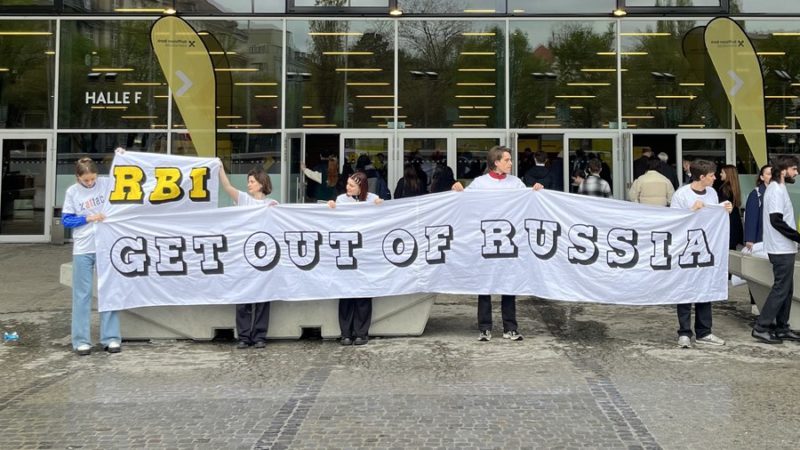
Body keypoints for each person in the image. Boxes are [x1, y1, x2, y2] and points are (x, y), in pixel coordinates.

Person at [452, 145, 544, 342]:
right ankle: (484, 328)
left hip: (509, 244)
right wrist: (458, 190)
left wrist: (536, 192)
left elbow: (529, 204)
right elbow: (465, 205)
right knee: (484, 285)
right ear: (496, 162)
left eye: (510, 160)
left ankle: (510, 327)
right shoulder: (480, 183)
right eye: (507, 160)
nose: (511, 163)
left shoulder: (516, 183)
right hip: (486, 243)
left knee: (509, 285)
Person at [670, 159, 732, 348]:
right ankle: (684, 332)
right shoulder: (681, 194)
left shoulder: (712, 193)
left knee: (705, 287)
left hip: (707, 248)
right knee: (685, 290)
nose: (715, 178)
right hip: (686, 249)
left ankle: (704, 332)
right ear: (702, 177)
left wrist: (725, 210)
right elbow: (673, 221)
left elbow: (714, 218)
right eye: (712, 175)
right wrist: (691, 211)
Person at [62, 156, 121, 356]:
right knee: (82, 294)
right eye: (85, 180)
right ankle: (80, 340)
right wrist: (88, 217)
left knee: (109, 291)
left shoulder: (105, 184)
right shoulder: (72, 192)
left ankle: (111, 337)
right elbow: (66, 221)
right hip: (84, 247)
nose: (90, 182)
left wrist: (121, 155)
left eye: (92, 178)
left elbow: (124, 175)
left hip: (107, 245)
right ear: (78, 178)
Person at [219, 164, 278, 349]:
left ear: (261, 183)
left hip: (264, 257)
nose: (248, 185)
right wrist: (219, 167)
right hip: (243, 256)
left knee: (262, 297)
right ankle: (244, 336)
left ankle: (260, 335)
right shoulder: (244, 199)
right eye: (248, 182)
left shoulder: (272, 204)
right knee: (243, 296)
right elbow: (228, 187)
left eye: (252, 181)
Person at [328, 171, 383, 345]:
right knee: (345, 293)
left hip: (366, 254)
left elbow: (386, 216)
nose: (347, 188)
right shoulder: (342, 200)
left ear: (362, 187)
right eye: (347, 184)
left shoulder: (372, 198)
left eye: (352, 185)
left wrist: (381, 205)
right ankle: (345, 333)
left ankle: (361, 332)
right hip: (346, 253)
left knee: (363, 294)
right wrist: (330, 207)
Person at [752, 155, 800, 344]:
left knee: (787, 289)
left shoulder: (779, 188)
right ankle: (761, 327)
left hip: (785, 247)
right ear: (784, 170)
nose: (796, 172)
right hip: (780, 248)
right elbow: (776, 220)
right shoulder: (775, 191)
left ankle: (782, 327)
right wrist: (797, 237)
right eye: (794, 169)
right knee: (781, 289)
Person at [743, 165, 772, 315]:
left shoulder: (777, 191)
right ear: (762, 177)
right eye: (768, 173)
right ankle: (755, 302)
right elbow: (751, 217)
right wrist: (750, 239)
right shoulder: (757, 194)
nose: (771, 175)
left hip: (772, 239)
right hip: (759, 239)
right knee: (756, 270)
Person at [718, 164, 744, 251]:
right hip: (734, 220)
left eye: (722, 172)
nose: (720, 174)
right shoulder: (735, 188)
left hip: (727, 221)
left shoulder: (724, 188)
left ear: (728, 174)